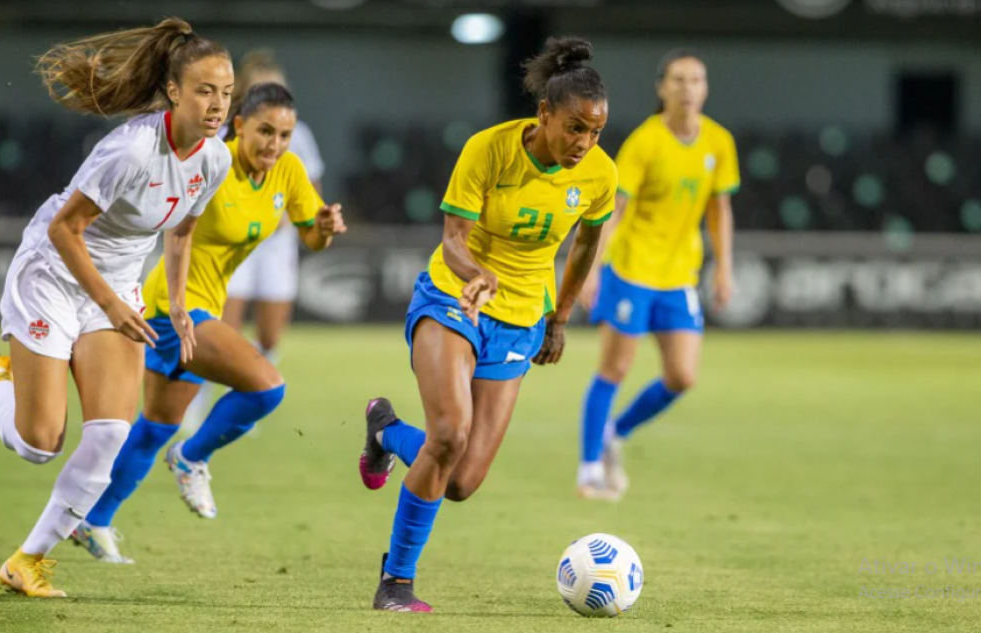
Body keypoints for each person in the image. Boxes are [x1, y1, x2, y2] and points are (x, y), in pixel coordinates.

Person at [0, 18, 233, 597]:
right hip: (54, 274)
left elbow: (182, 231)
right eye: (206, 90)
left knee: (110, 432)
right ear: (175, 91)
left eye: (227, 92)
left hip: (116, 287)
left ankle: (27, 561)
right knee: (39, 444)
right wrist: (110, 303)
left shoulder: (215, 159)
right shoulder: (131, 148)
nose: (218, 104)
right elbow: (65, 229)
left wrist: (179, 303)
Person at [356, 37, 617, 612]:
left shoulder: (598, 175)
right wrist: (476, 274)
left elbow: (585, 245)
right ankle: (396, 583)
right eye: (575, 128)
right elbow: (453, 239)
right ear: (544, 114)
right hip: (454, 299)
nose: (585, 143)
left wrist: (560, 315)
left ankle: (385, 432)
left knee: (461, 482)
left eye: (596, 131)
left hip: (522, 317)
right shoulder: (489, 150)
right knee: (448, 434)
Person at [68, 81, 345, 564]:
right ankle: (193, 457)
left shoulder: (288, 171)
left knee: (155, 426)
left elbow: (311, 239)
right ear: (239, 126)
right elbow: (174, 228)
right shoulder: (211, 163)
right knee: (267, 387)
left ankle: (93, 520)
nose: (274, 145)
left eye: (284, 135)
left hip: (202, 310)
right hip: (171, 307)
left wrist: (323, 231)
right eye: (264, 132)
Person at [576, 49, 740, 500]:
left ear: (705, 88)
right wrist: (589, 270)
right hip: (631, 269)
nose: (689, 88)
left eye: (697, 80)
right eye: (679, 80)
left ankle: (615, 433)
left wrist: (723, 267)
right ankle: (589, 468)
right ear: (662, 88)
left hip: (679, 276)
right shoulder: (645, 142)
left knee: (683, 376)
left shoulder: (718, 143)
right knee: (614, 368)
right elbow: (614, 209)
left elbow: (719, 208)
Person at [181, 49, 326, 432]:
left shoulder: (300, 135)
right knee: (221, 329)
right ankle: (201, 403)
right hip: (232, 244)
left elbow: (311, 186)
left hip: (276, 247)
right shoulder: (230, 135)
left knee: (270, 332)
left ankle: (253, 397)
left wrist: (309, 218)